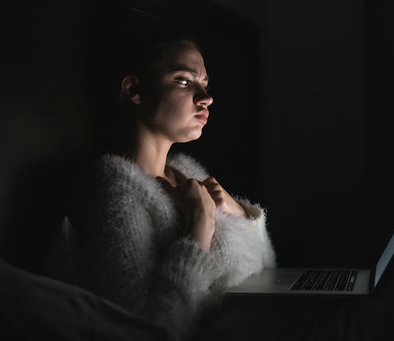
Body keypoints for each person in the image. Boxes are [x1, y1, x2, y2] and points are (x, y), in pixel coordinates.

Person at [68, 37, 276, 340]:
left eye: (205, 84)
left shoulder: (189, 171)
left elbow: (269, 270)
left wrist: (238, 211)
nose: (206, 97)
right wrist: (198, 230)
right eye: (184, 80)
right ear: (134, 90)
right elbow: (149, 329)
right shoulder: (116, 188)